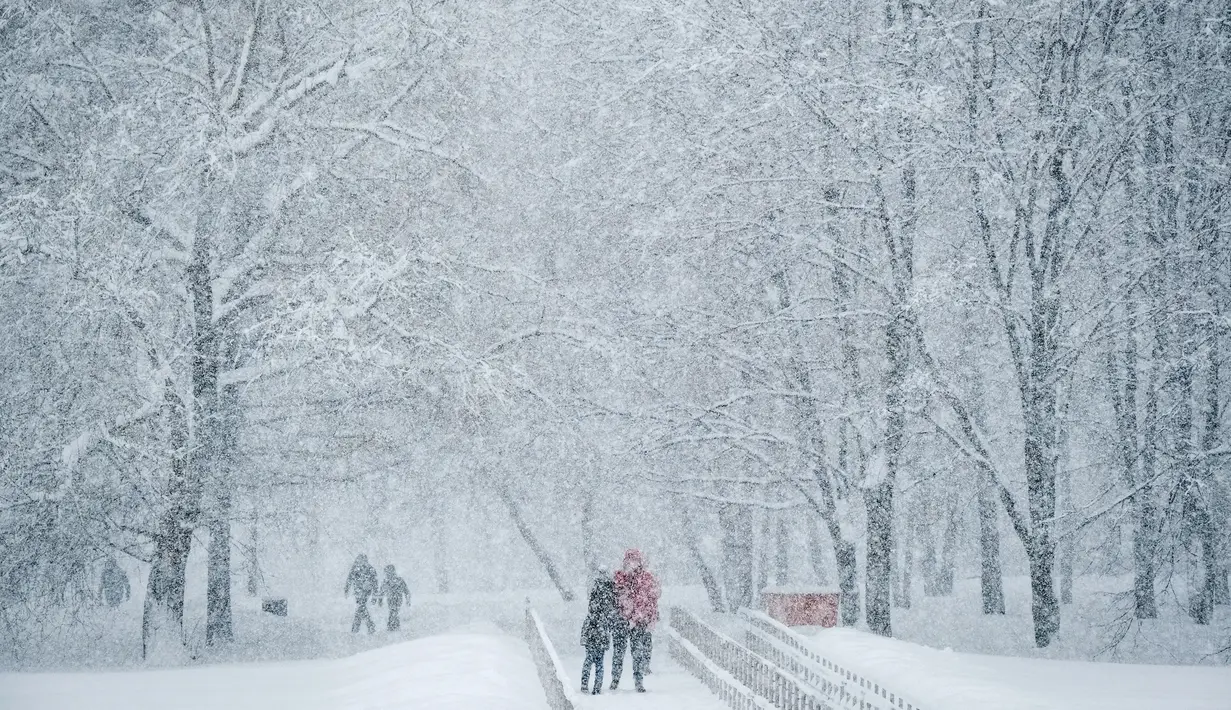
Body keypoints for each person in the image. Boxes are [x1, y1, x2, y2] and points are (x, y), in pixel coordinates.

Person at [610, 548, 660, 693]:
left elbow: (650, 599)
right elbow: (616, 597)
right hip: (626, 620)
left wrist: (644, 616)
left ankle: (634, 681)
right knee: (622, 652)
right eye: (630, 561)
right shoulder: (620, 577)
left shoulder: (645, 578)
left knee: (631, 652)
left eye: (635, 561)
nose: (632, 564)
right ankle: (619, 680)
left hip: (635, 621)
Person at [580, 565, 617, 694]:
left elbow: (590, 613)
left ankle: (585, 684)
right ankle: (597, 686)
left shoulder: (596, 587)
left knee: (588, 661)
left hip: (592, 635)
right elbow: (612, 607)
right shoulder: (610, 588)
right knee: (599, 663)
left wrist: (584, 637)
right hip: (601, 634)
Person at [344, 554, 379, 634]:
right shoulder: (355, 568)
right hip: (358, 591)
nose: (361, 561)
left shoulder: (370, 569)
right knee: (361, 607)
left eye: (362, 560)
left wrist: (374, 596)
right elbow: (349, 579)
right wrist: (346, 589)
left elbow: (375, 583)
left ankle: (358, 627)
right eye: (360, 560)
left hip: (366, 591)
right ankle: (368, 625)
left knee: (361, 606)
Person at [376, 564, 411, 631]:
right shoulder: (387, 581)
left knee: (393, 611)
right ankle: (394, 626)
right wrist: (380, 600)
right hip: (392, 598)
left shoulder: (398, 580)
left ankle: (392, 626)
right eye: (386, 572)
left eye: (388, 571)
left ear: (392, 571)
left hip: (397, 598)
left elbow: (406, 591)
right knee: (393, 611)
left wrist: (408, 599)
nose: (387, 573)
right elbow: (381, 591)